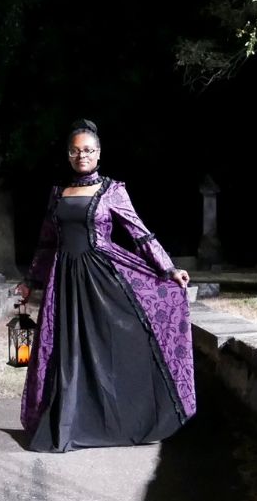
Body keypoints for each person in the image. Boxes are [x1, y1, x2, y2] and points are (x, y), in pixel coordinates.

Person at [12, 119, 196, 453]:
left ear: (98, 153)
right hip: (64, 281)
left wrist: (168, 269)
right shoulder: (57, 193)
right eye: (75, 151)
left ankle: (119, 420)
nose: (81, 155)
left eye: (88, 150)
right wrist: (31, 282)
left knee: (107, 346)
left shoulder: (113, 190)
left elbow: (139, 233)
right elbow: (46, 243)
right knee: (65, 350)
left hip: (102, 279)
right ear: (68, 155)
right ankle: (66, 422)